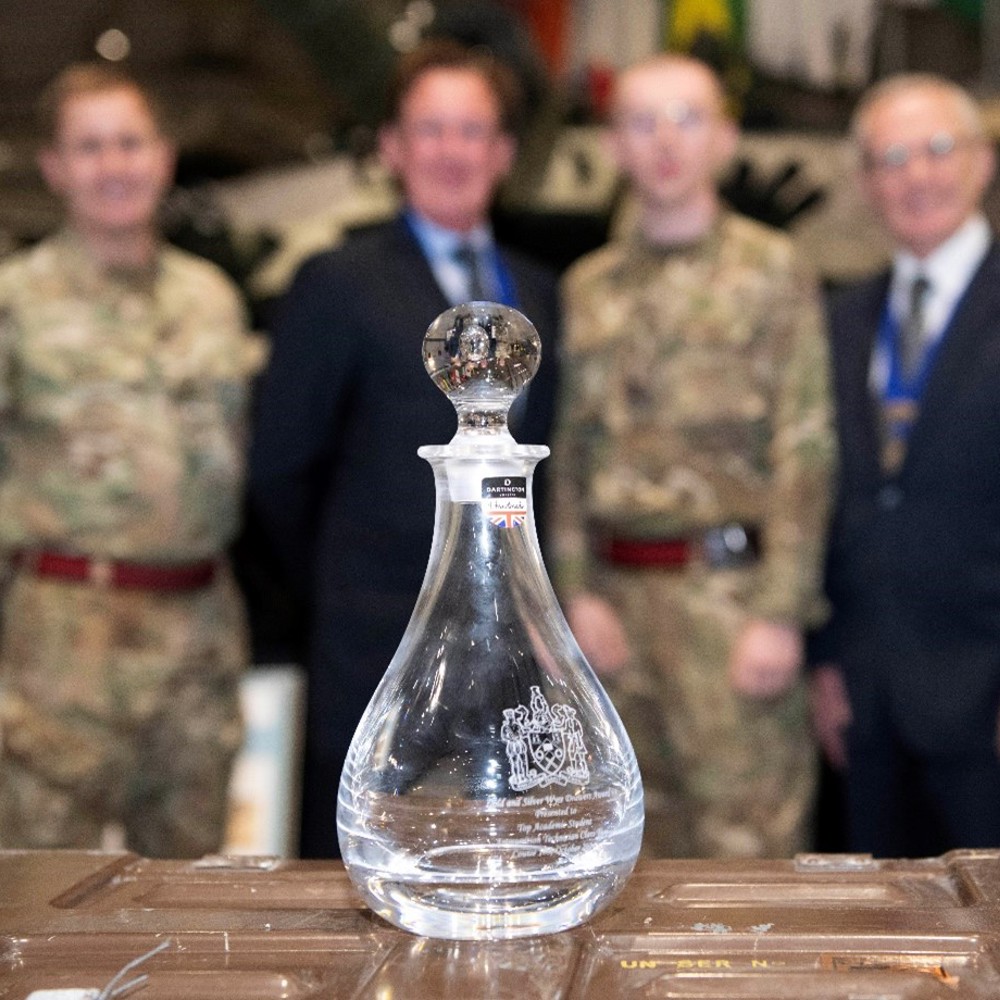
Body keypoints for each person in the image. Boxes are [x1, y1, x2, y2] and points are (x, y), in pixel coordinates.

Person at [248, 40, 560, 858]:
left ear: (503, 152)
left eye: (471, 130)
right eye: (430, 128)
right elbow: (280, 472)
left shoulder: (542, 292)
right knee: (371, 878)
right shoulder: (336, 283)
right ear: (391, 147)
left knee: (501, 873)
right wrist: (346, 588)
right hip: (376, 648)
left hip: (518, 656)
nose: (451, 151)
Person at [548, 53, 835, 858]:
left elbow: (805, 444)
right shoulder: (588, 287)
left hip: (730, 608)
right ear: (614, 147)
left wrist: (781, 610)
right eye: (642, 121)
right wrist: (577, 595)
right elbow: (569, 450)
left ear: (724, 139)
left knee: (750, 857)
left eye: (688, 118)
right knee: (617, 852)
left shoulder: (775, 271)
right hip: (614, 618)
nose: (666, 141)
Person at [0, 64, 261, 858]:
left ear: (164, 156)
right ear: (55, 168)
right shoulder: (16, 300)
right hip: (63, 649)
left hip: (199, 641)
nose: (114, 165)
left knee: (188, 903)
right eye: (89, 147)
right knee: (39, 907)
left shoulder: (212, 296)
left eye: (130, 142)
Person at [809, 74, 1000, 857]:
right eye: (891, 157)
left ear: (984, 161)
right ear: (865, 184)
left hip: (986, 695)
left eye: (937, 149)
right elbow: (820, 494)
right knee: (873, 944)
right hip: (863, 700)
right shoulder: (837, 317)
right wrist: (824, 661)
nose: (916, 174)